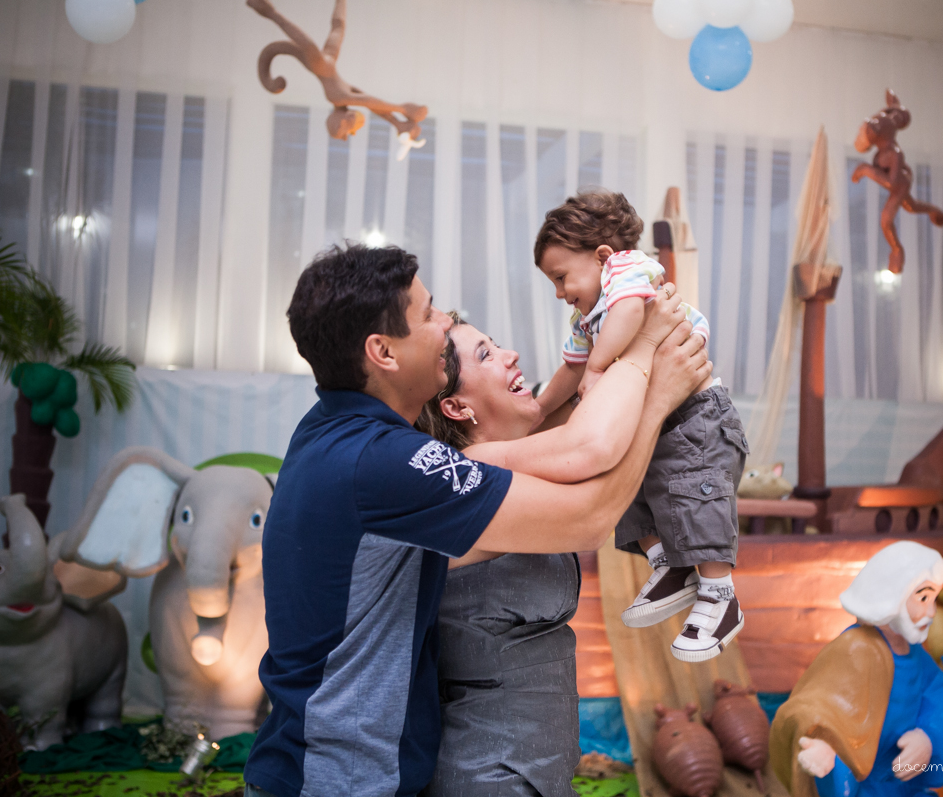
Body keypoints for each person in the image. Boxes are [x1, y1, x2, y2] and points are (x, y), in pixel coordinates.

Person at [242, 244, 709, 797]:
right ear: (382, 352)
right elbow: (588, 513)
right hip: (334, 779)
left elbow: (556, 439)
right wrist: (653, 378)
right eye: (428, 314)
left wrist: (605, 336)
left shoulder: (335, 430)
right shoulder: (384, 462)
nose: (444, 325)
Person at [415, 309, 691, 797]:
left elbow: (579, 397)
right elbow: (593, 462)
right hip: (486, 773)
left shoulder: (524, 455)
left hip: (541, 768)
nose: (510, 354)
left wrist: (620, 311)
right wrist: (656, 378)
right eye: (486, 353)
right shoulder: (463, 476)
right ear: (457, 407)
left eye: (495, 342)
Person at [533, 191, 747, 663]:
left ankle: (719, 594)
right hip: (656, 418)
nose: (559, 292)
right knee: (629, 487)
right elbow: (569, 369)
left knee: (697, 495)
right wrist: (537, 410)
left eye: (561, 277)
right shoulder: (586, 319)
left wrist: (597, 369)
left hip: (697, 417)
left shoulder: (626, 272)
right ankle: (667, 564)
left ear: (603, 256)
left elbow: (630, 316)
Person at [770, 541, 943, 797]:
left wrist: (929, 738)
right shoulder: (856, 649)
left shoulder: (917, 656)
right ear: (893, 594)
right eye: (922, 597)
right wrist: (827, 749)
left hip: (905, 785)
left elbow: (941, 697)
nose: (930, 611)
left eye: (933, 598)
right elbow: (816, 706)